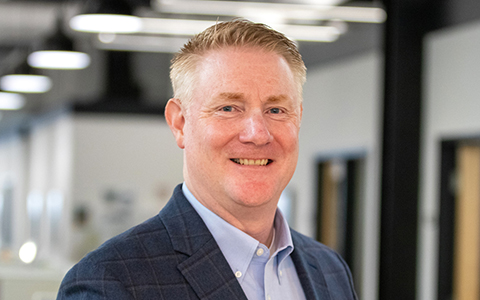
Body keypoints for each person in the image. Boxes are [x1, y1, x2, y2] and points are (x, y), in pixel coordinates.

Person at [57, 19, 357, 300]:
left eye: (276, 110)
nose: (257, 134)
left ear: (299, 119)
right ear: (180, 123)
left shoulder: (330, 270)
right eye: (228, 108)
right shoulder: (110, 283)